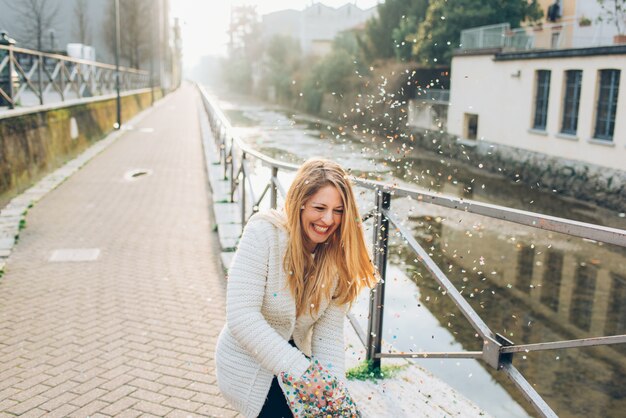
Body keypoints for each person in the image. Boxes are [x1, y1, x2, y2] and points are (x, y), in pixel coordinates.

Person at [215, 158, 378, 417]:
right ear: (300, 202)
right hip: (247, 363)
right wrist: (304, 374)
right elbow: (241, 318)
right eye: (320, 207)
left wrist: (334, 395)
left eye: (338, 210)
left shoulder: (338, 258)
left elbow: (328, 337)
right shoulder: (263, 234)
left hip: (296, 365)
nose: (328, 219)